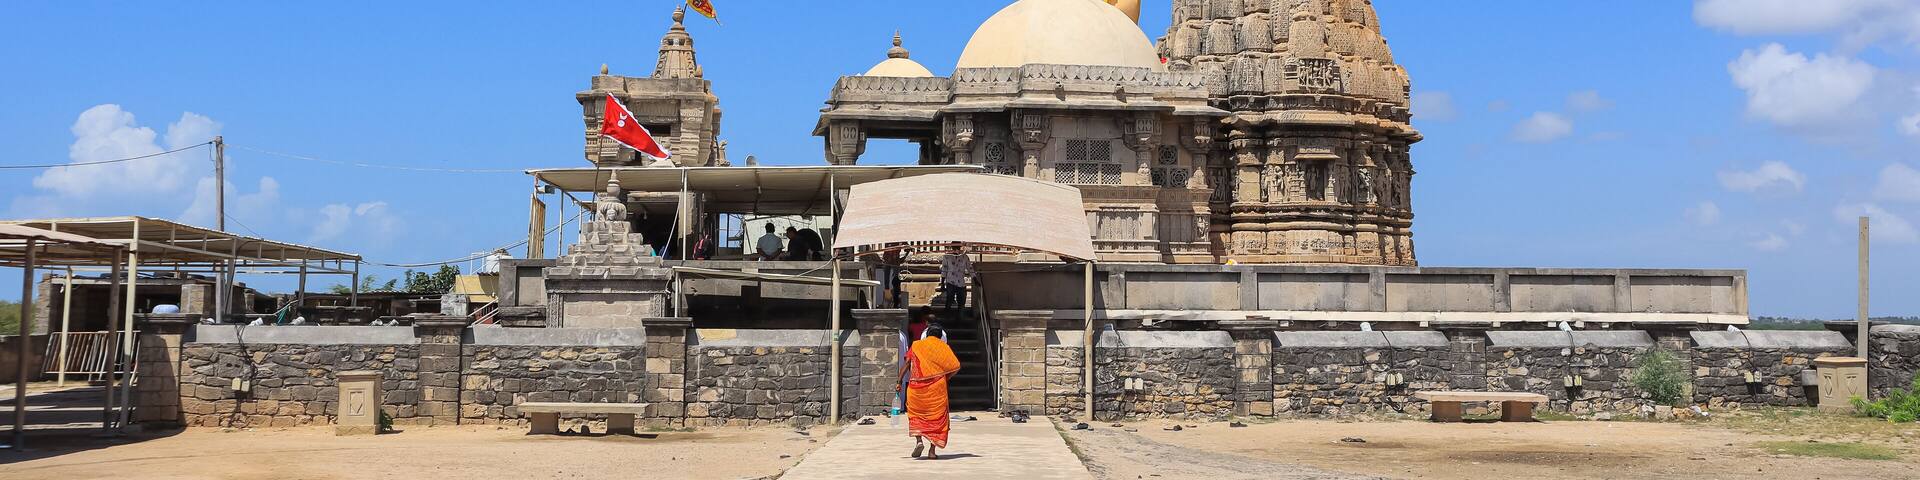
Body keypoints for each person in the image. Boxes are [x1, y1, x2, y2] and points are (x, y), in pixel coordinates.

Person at [899, 324, 960, 459]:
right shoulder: (944, 348)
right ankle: (932, 451)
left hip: (916, 388)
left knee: (916, 415)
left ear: (926, 335)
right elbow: (956, 366)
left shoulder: (916, 345)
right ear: (940, 337)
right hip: (937, 389)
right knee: (938, 419)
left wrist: (899, 382)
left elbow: (907, 363)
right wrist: (945, 378)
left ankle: (919, 441)